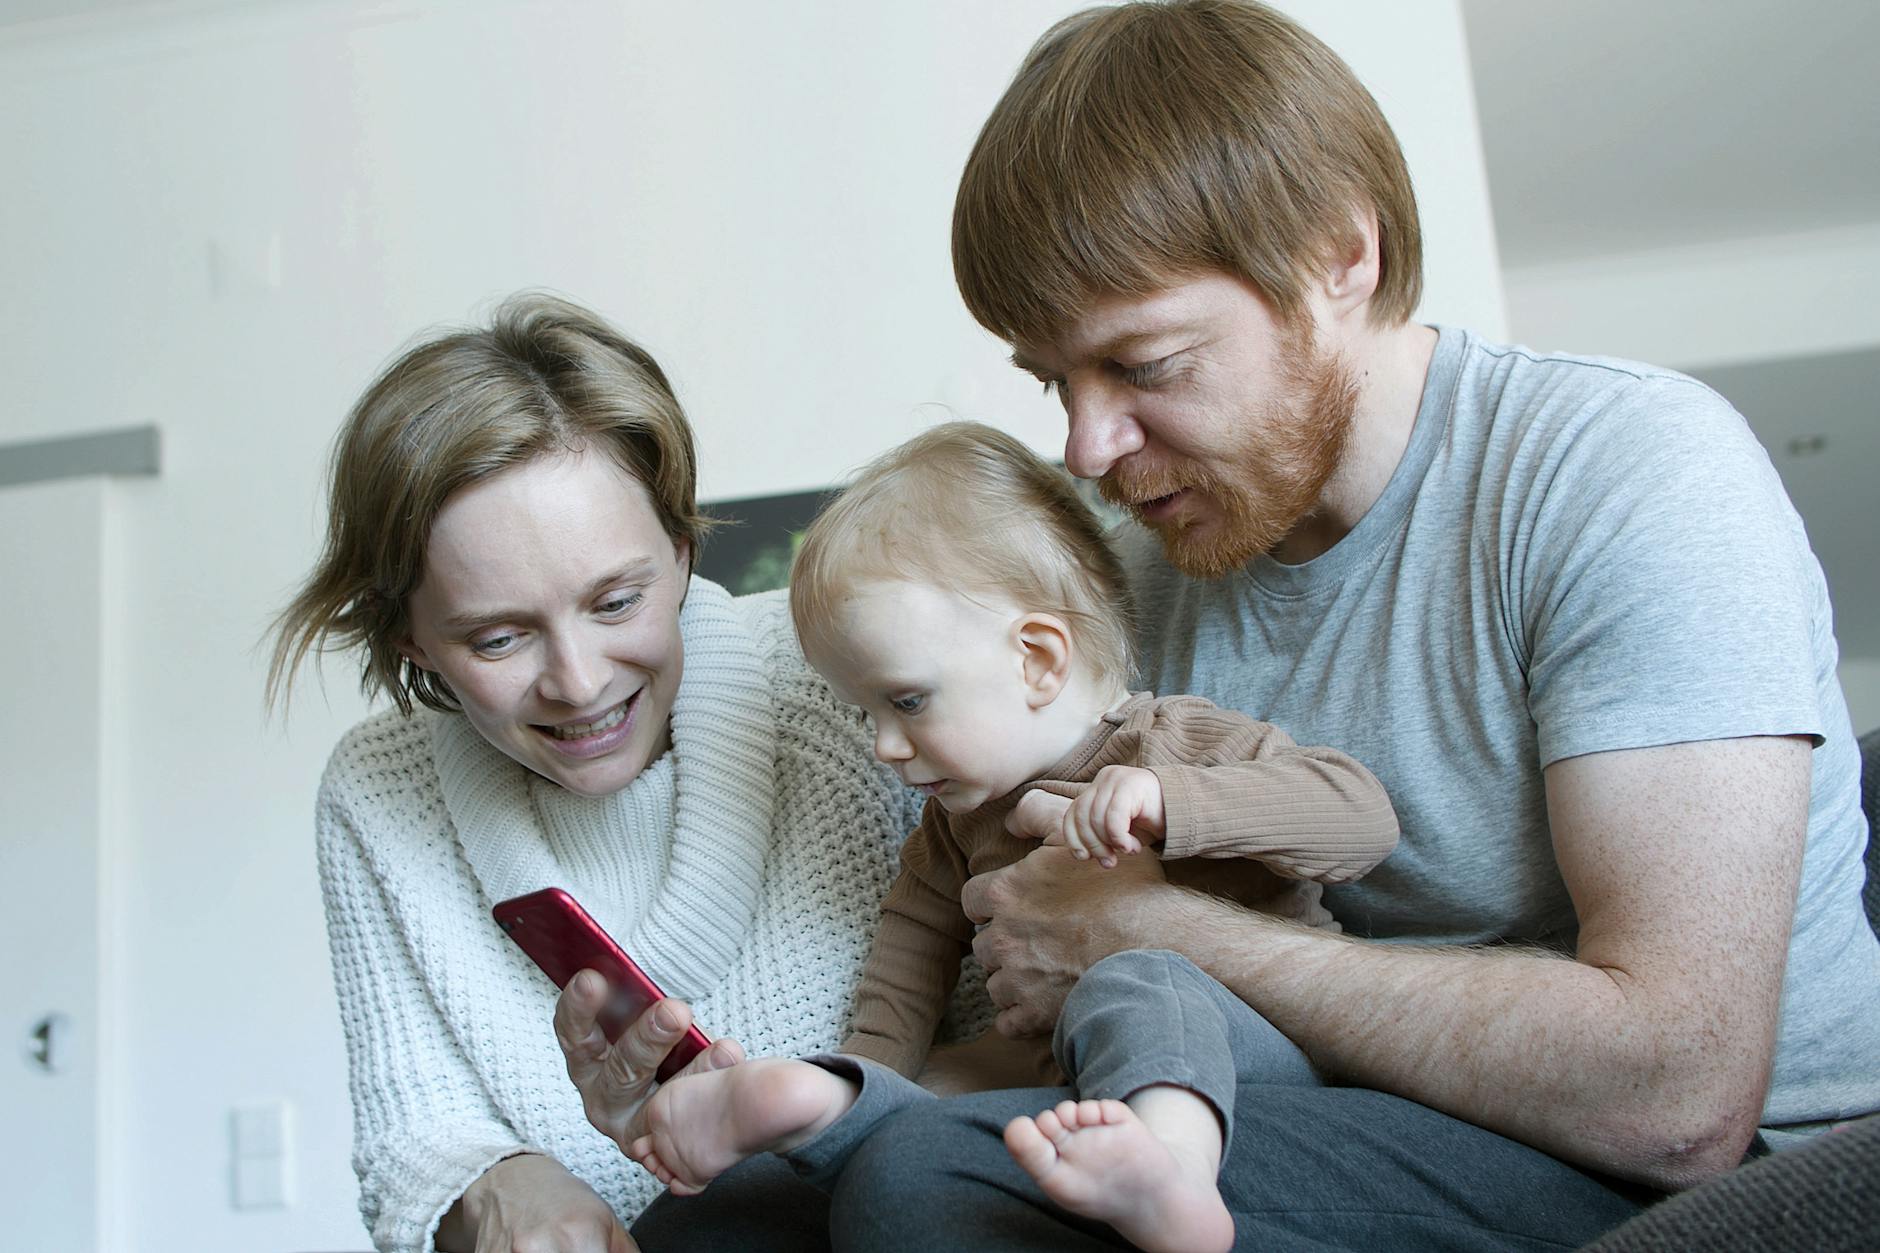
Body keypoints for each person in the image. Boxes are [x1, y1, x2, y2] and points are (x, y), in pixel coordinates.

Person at [625, 2, 1880, 1249]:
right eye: (1054, 381)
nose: (1085, 444)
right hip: (1327, 1118)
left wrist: (1152, 928)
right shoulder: (1138, 574)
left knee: (947, 1188)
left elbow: (1676, 1092)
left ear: (1342, 256)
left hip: (1702, 1181)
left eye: (1147, 364)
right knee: (729, 1222)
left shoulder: (1623, 474)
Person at [269, 293, 945, 1253]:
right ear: (407, 639)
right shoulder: (378, 791)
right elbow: (414, 1141)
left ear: (680, 549)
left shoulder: (843, 687)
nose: (579, 681)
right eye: (498, 637)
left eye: (617, 600)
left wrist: (801, 1122)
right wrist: (495, 1186)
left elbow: (1028, 1050)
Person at [621, 421, 1398, 1252]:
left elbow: (1361, 816)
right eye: (866, 712)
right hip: (1069, 1084)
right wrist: (877, 1065)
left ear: (1037, 659)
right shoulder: (954, 825)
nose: (884, 744)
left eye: (908, 701)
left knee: (1140, 981)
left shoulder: (1169, 742)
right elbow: (906, 960)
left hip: (1268, 1069)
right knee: (934, 1082)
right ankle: (821, 1109)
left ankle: (1172, 1168)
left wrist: (1175, 804)